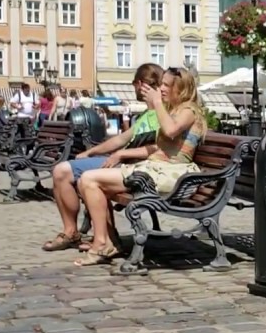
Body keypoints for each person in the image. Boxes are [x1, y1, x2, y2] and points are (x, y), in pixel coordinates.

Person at [72, 67, 207, 266]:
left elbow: (170, 131)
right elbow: (158, 146)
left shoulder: (189, 110)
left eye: (166, 85)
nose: (161, 89)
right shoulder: (174, 110)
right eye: (161, 84)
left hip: (173, 176)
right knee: (87, 181)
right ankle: (106, 241)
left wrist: (157, 104)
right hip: (157, 169)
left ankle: (102, 243)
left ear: (181, 89)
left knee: (89, 179)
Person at [42, 64, 165, 253]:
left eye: (134, 85)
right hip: (123, 163)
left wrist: (121, 154)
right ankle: (72, 232)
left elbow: (158, 147)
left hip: (133, 167)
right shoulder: (147, 115)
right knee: (60, 171)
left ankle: (91, 235)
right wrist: (91, 152)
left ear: (140, 84)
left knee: (66, 172)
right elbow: (121, 139)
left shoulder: (161, 113)